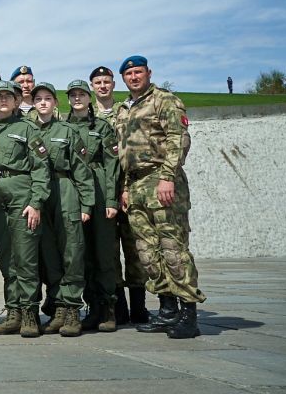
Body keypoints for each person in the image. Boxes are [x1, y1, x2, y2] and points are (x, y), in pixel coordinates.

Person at [115, 55, 204, 339]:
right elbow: (125, 153)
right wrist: (126, 187)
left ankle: (188, 314)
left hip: (161, 180)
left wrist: (167, 176)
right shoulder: (124, 109)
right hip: (136, 185)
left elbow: (179, 139)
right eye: (128, 74)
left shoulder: (164, 100)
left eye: (138, 72)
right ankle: (167, 311)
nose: (133, 77)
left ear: (148, 73)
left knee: (172, 249)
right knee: (148, 253)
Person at [0, 80, 50, 338]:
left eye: (8, 96)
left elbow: (41, 167)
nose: (3, 101)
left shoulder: (28, 129)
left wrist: (36, 202)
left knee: (26, 258)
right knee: (7, 258)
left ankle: (30, 313)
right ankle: (13, 312)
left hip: (22, 197)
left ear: (17, 100)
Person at [29, 82, 94, 337]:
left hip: (64, 188)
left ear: (55, 103)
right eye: (38, 99)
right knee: (49, 254)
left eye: (48, 98)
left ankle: (72, 309)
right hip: (39, 193)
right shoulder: (29, 131)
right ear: (33, 104)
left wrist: (87, 203)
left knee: (71, 251)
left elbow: (81, 169)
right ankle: (57, 308)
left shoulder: (66, 131)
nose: (43, 103)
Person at [91, 64, 146, 324]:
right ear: (92, 87)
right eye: (98, 82)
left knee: (134, 248)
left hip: (130, 186)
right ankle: (118, 307)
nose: (103, 86)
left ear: (114, 84)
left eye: (106, 81)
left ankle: (139, 306)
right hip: (104, 192)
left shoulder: (127, 112)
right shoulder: (86, 116)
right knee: (109, 252)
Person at [65, 79, 121, 332]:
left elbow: (112, 165)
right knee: (81, 254)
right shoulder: (62, 128)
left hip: (98, 190)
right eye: (73, 95)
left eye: (81, 95)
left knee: (104, 253)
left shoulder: (102, 127)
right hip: (73, 192)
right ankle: (92, 307)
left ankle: (108, 308)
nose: (77, 99)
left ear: (89, 98)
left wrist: (111, 200)